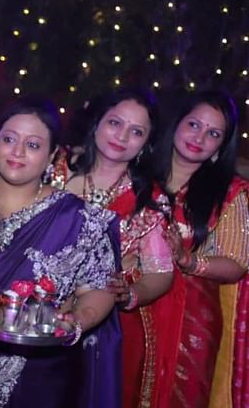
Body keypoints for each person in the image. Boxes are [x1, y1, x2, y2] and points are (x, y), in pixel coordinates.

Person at [0, 98, 121, 408]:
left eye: (33, 145)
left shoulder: (79, 220)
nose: (17, 152)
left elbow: (99, 288)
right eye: (9, 139)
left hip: (38, 378)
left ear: (52, 156)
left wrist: (77, 319)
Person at [51, 90, 175, 408]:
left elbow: (160, 273)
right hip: (34, 307)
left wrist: (130, 294)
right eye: (115, 123)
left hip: (101, 325)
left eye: (136, 131)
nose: (122, 136)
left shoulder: (149, 200)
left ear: (146, 143)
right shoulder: (54, 167)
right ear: (97, 122)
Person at [151, 91, 249, 408]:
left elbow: (236, 263)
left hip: (191, 324)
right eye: (194, 124)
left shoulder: (229, 193)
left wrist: (188, 260)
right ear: (177, 123)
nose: (199, 137)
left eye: (213, 133)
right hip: (129, 310)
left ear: (221, 147)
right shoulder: (138, 173)